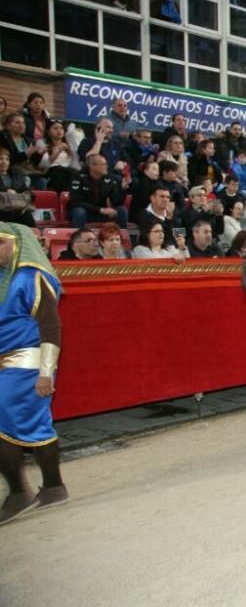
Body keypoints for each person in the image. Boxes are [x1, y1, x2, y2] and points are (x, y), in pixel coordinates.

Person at [0, 223, 69, 525]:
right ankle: (53, 488)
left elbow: (51, 327)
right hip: (6, 366)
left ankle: (19, 493)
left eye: (0, 243)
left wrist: (46, 373)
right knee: (34, 427)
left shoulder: (33, 278)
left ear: (19, 244)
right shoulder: (4, 279)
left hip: (26, 366)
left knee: (22, 427)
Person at [67, 154, 127, 228]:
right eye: (103, 164)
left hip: (100, 213)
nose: (107, 167)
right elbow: (75, 201)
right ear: (92, 166)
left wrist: (122, 188)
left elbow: (117, 202)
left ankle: (122, 238)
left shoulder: (109, 177)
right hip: (84, 212)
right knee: (79, 212)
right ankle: (79, 238)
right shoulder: (78, 177)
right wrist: (100, 210)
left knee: (121, 210)